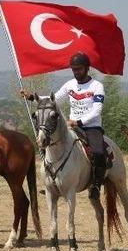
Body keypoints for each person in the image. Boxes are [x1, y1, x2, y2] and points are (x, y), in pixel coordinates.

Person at [21, 52, 106, 201]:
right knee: (47, 143)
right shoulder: (70, 85)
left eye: (79, 69)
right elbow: (52, 100)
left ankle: (96, 186)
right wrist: (31, 97)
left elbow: (97, 110)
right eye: (74, 69)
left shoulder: (97, 86)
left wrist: (78, 122)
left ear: (87, 68)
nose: (76, 72)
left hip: (91, 127)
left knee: (98, 153)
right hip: (71, 126)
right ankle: (50, 181)